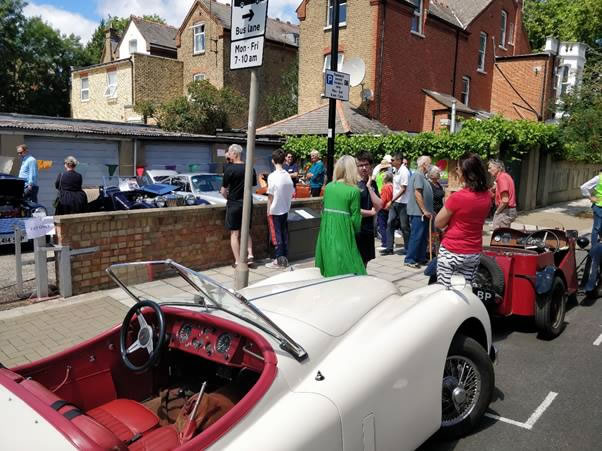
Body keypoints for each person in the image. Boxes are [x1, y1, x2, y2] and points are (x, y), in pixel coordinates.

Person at [435, 154, 491, 287]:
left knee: (445, 291)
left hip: (452, 250)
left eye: (458, 169)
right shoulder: (487, 196)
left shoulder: (458, 197)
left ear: (466, 173)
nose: (456, 171)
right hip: (473, 251)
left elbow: (438, 222)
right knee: (466, 290)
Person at [315, 155, 366, 277]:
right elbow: (355, 219)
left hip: (326, 231)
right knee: (349, 263)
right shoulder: (354, 191)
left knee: (329, 260)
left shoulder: (328, 187)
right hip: (344, 232)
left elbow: (323, 211)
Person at [220, 144, 257, 268]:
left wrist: (229, 198)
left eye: (230, 153)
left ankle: (238, 261)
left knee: (234, 234)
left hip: (234, 204)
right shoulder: (250, 168)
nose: (229, 155)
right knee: (246, 231)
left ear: (235, 154)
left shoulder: (229, 169)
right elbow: (252, 185)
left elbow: (223, 191)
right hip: (247, 203)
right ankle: (250, 255)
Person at [265, 149, 295, 269]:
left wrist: (268, 209)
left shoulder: (272, 176)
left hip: (275, 209)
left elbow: (270, 195)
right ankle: (284, 258)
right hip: (285, 208)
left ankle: (278, 260)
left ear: (273, 161)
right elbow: (291, 192)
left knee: (276, 237)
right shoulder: (287, 175)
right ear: (283, 160)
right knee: (283, 234)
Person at [404, 155, 434, 268]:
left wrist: (430, 210)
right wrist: (424, 210)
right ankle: (410, 259)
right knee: (417, 236)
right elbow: (417, 193)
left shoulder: (422, 176)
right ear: (424, 164)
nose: (430, 166)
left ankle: (420, 257)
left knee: (422, 236)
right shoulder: (418, 175)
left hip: (423, 213)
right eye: (429, 164)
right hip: (418, 212)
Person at [356, 152, 382, 267]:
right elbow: (352, 210)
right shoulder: (353, 183)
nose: (364, 168)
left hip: (368, 227)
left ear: (371, 166)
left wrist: (369, 187)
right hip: (355, 228)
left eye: (366, 165)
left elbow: (379, 205)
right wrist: (370, 212)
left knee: (365, 260)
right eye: (360, 165)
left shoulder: (373, 184)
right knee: (355, 260)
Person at [382, 153, 410, 255]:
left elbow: (403, 189)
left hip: (403, 203)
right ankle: (389, 248)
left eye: (393, 160)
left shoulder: (404, 172)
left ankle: (408, 249)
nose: (391, 162)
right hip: (395, 202)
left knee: (404, 226)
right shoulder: (397, 171)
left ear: (399, 161)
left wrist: (391, 200)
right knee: (390, 223)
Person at [488, 159, 517, 230]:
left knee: (499, 237)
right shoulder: (505, 176)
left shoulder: (501, 178)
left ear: (498, 167)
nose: (488, 170)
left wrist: (497, 212)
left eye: (490, 167)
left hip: (504, 211)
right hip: (508, 210)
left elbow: (505, 200)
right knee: (504, 236)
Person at [580, 170, 602, 244]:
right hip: (599, 207)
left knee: (599, 228)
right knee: (597, 228)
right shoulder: (598, 178)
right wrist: (590, 198)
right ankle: (594, 249)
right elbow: (583, 187)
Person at [378, 172, 394, 250]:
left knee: (382, 226)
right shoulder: (392, 186)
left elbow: (383, 199)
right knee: (389, 226)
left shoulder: (385, 187)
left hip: (383, 208)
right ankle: (389, 242)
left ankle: (385, 242)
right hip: (390, 208)